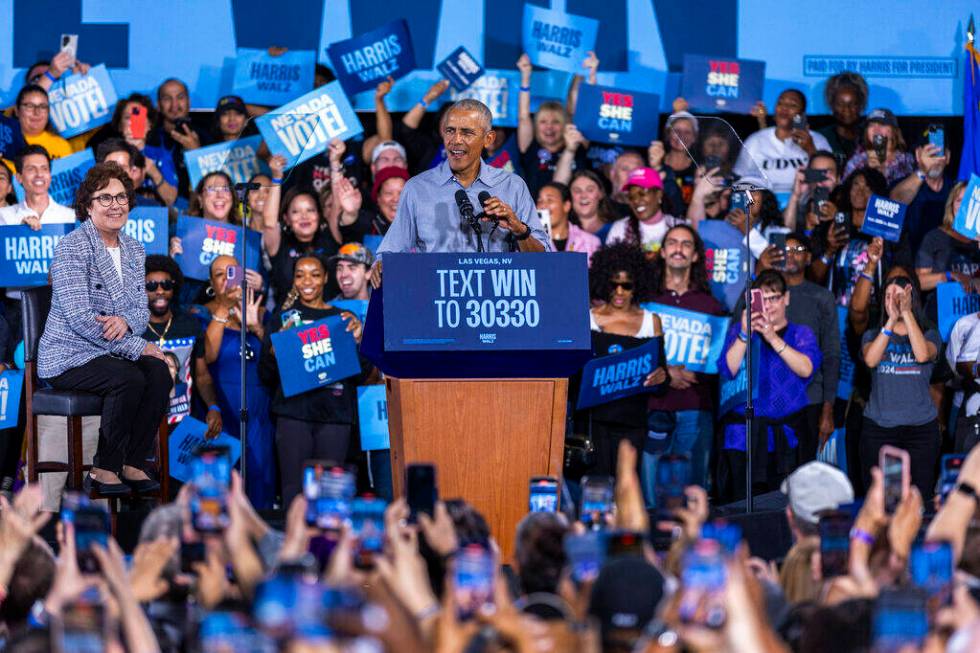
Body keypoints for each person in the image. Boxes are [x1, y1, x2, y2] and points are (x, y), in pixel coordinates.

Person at [37, 162, 171, 495]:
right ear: (88, 205)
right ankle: (103, 469)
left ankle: (132, 462)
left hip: (108, 350)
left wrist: (127, 322)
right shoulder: (72, 247)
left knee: (159, 372)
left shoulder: (135, 249)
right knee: (129, 377)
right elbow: (81, 318)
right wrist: (136, 347)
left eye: (121, 197)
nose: (115, 205)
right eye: (105, 198)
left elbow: (140, 311)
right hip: (69, 354)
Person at [374, 99, 549, 269]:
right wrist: (380, 265)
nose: (456, 140)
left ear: (488, 139)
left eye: (466, 132)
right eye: (450, 131)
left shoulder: (513, 186)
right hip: (434, 296)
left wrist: (518, 228)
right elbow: (389, 254)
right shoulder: (417, 188)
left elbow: (543, 260)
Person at [259, 255, 370, 504]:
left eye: (315, 274)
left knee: (330, 495)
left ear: (326, 279)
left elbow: (361, 374)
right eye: (300, 275)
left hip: (335, 416)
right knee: (294, 494)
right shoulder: (282, 319)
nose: (307, 281)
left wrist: (359, 342)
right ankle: (294, 543)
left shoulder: (343, 318)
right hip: (293, 415)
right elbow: (265, 375)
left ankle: (327, 544)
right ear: (294, 280)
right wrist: (275, 353)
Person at [718, 270, 821, 501]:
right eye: (762, 299)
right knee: (739, 503)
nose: (769, 305)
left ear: (786, 298)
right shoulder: (740, 331)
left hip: (784, 438)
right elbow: (728, 369)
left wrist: (773, 337)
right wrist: (745, 334)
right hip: (743, 436)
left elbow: (806, 368)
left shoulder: (800, 333)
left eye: (774, 297)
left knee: (781, 507)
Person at [642, 225, 724, 497]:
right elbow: (637, 354)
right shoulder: (646, 301)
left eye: (686, 244)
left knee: (692, 494)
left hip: (695, 408)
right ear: (663, 252)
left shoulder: (711, 306)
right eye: (673, 243)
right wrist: (668, 372)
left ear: (696, 256)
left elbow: (717, 364)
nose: (679, 248)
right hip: (653, 406)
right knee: (651, 496)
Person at [192, 255, 275, 508]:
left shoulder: (261, 311)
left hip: (259, 415)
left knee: (259, 482)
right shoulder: (201, 312)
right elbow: (208, 355)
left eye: (233, 272)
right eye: (220, 274)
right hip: (220, 412)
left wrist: (256, 326)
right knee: (220, 489)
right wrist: (223, 309)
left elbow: (276, 360)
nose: (227, 279)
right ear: (211, 282)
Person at [584, 242, 668, 476]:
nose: (619, 292)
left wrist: (662, 376)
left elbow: (661, 382)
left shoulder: (651, 321)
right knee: (597, 492)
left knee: (627, 491)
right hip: (595, 423)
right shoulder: (588, 319)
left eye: (626, 285)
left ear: (637, 285)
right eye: (614, 284)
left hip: (633, 422)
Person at [757, 233, 840, 463]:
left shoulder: (821, 297)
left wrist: (828, 408)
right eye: (786, 249)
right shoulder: (761, 295)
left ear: (808, 257)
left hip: (809, 401)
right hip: (766, 401)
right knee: (767, 482)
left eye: (798, 249)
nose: (791, 254)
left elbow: (832, 354)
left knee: (803, 478)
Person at [860, 274, 941, 500]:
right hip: (880, 429)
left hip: (921, 431)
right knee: (883, 500)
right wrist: (890, 322)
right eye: (887, 296)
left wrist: (906, 313)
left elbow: (923, 354)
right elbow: (871, 360)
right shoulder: (872, 334)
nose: (891, 302)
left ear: (910, 297)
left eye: (897, 296)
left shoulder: (930, 333)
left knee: (918, 499)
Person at [142, 254, 222, 437]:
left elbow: (202, 376)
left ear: (174, 287)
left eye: (166, 285)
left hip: (183, 423)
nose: (160, 291)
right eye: (151, 286)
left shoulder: (189, 325)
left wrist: (213, 406)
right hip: (143, 425)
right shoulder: (133, 329)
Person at [261, 155, 341, 305]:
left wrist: (335, 162)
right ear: (286, 218)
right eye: (296, 212)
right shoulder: (280, 245)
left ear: (320, 214)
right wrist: (277, 178)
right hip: (290, 323)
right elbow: (269, 223)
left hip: (329, 322)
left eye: (310, 210)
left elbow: (337, 205)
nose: (304, 216)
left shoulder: (330, 238)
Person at [735, 89, 832, 197]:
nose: (785, 108)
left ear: (802, 114)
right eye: (781, 103)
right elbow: (739, 179)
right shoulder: (755, 141)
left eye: (792, 105)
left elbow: (829, 179)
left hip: (804, 205)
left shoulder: (817, 140)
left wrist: (810, 149)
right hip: (764, 207)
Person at [516, 55, 588, 197]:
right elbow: (524, 116)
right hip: (537, 215)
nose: (549, 127)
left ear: (564, 125)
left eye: (555, 122)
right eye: (543, 122)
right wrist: (525, 76)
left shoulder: (578, 143)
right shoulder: (530, 146)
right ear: (536, 126)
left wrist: (582, 73)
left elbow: (575, 106)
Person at [915, 182, 977, 319]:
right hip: (942, 319)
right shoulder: (935, 237)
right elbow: (918, 282)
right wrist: (950, 275)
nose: (964, 205)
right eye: (959, 200)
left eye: (969, 200)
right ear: (951, 205)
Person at [891, 127, 955, 257]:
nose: (934, 159)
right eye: (930, 153)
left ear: (947, 157)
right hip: (912, 266)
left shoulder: (956, 190)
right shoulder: (903, 185)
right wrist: (923, 170)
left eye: (939, 152)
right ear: (918, 155)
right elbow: (895, 201)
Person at [146, 78, 209, 197]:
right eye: (167, 99)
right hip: (159, 210)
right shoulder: (149, 139)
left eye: (180, 97)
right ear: (158, 105)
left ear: (189, 102)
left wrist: (196, 152)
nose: (174, 104)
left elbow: (216, 183)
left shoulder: (206, 137)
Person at [605, 167, 684, 256]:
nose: (636, 201)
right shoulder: (620, 229)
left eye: (642, 194)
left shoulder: (679, 227)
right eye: (631, 197)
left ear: (659, 194)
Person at [0, 144, 75, 227]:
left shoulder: (71, 217)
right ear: (19, 177)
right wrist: (19, 231)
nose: (39, 174)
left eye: (44, 168)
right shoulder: (4, 217)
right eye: (31, 169)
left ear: (50, 175)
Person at [842, 108, 915, 186]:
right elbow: (844, 191)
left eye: (882, 124)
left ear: (893, 131)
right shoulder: (857, 161)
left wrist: (882, 171)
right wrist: (867, 171)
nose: (876, 130)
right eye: (871, 125)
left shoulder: (907, 160)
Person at [95, 138, 177, 206]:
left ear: (132, 172)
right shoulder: (89, 207)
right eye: (110, 167)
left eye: (122, 168)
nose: (116, 173)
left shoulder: (151, 208)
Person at [536, 181, 600, 264]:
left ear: (566, 206)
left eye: (550, 200)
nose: (542, 206)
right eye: (539, 201)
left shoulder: (590, 242)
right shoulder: (530, 242)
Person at [816, 72, 869, 162]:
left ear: (861, 105)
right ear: (831, 105)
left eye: (853, 104)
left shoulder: (869, 137)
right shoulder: (820, 137)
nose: (847, 109)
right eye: (840, 104)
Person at [12, 85, 72, 159]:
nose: (37, 112)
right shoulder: (5, 145)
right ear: (17, 110)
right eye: (30, 106)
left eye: (42, 106)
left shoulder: (61, 146)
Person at [569, 169, 619, 242]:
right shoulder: (563, 233)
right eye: (577, 191)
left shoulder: (617, 229)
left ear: (601, 194)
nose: (583, 196)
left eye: (590, 190)